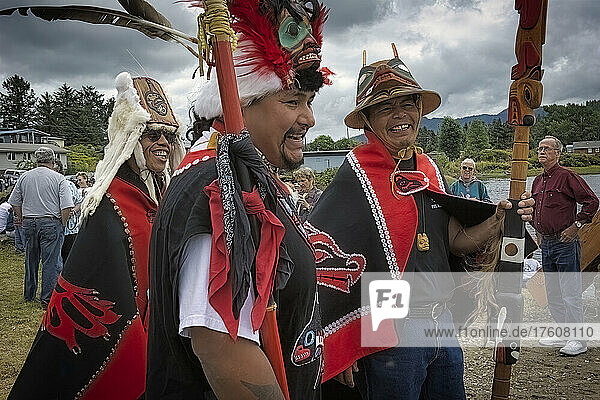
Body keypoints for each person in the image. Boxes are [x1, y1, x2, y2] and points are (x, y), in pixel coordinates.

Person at [306, 49, 535, 400]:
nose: (400, 115)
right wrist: (344, 340)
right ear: (367, 120)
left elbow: (455, 242)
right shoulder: (356, 174)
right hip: (390, 323)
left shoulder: (428, 169)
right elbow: (323, 257)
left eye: (409, 104)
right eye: (385, 108)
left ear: (420, 111)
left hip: (441, 322)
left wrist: (499, 219)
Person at [146, 1, 331, 399]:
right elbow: (221, 347)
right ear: (243, 103)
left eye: (309, 101)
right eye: (292, 100)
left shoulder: (243, 180)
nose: (309, 118)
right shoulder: (217, 189)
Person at [8, 73, 185, 400]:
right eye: (152, 134)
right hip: (125, 332)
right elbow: (99, 287)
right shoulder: (107, 203)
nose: (163, 143)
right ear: (130, 138)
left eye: (168, 136)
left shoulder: (160, 192)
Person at [532, 135, 598, 356]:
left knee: (570, 293)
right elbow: (537, 211)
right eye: (539, 148)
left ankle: (579, 341)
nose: (541, 151)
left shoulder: (567, 176)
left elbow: (592, 201)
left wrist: (577, 224)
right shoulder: (538, 181)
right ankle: (563, 333)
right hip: (547, 245)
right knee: (553, 293)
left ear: (557, 153)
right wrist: (538, 230)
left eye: (546, 149)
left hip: (566, 243)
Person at [8, 147, 73, 307]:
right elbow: (67, 206)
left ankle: (29, 294)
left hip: (30, 221)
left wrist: (23, 218)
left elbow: (14, 201)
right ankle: (47, 298)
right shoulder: (58, 178)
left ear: (37, 160)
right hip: (51, 221)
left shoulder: (24, 177)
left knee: (31, 259)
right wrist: (62, 224)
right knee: (51, 261)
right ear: (53, 161)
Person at [58, 161, 83, 263]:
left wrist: (73, 210)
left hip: (70, 229)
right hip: (55, 227)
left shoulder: (70, 185)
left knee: (69, 258)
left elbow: (80, 202)